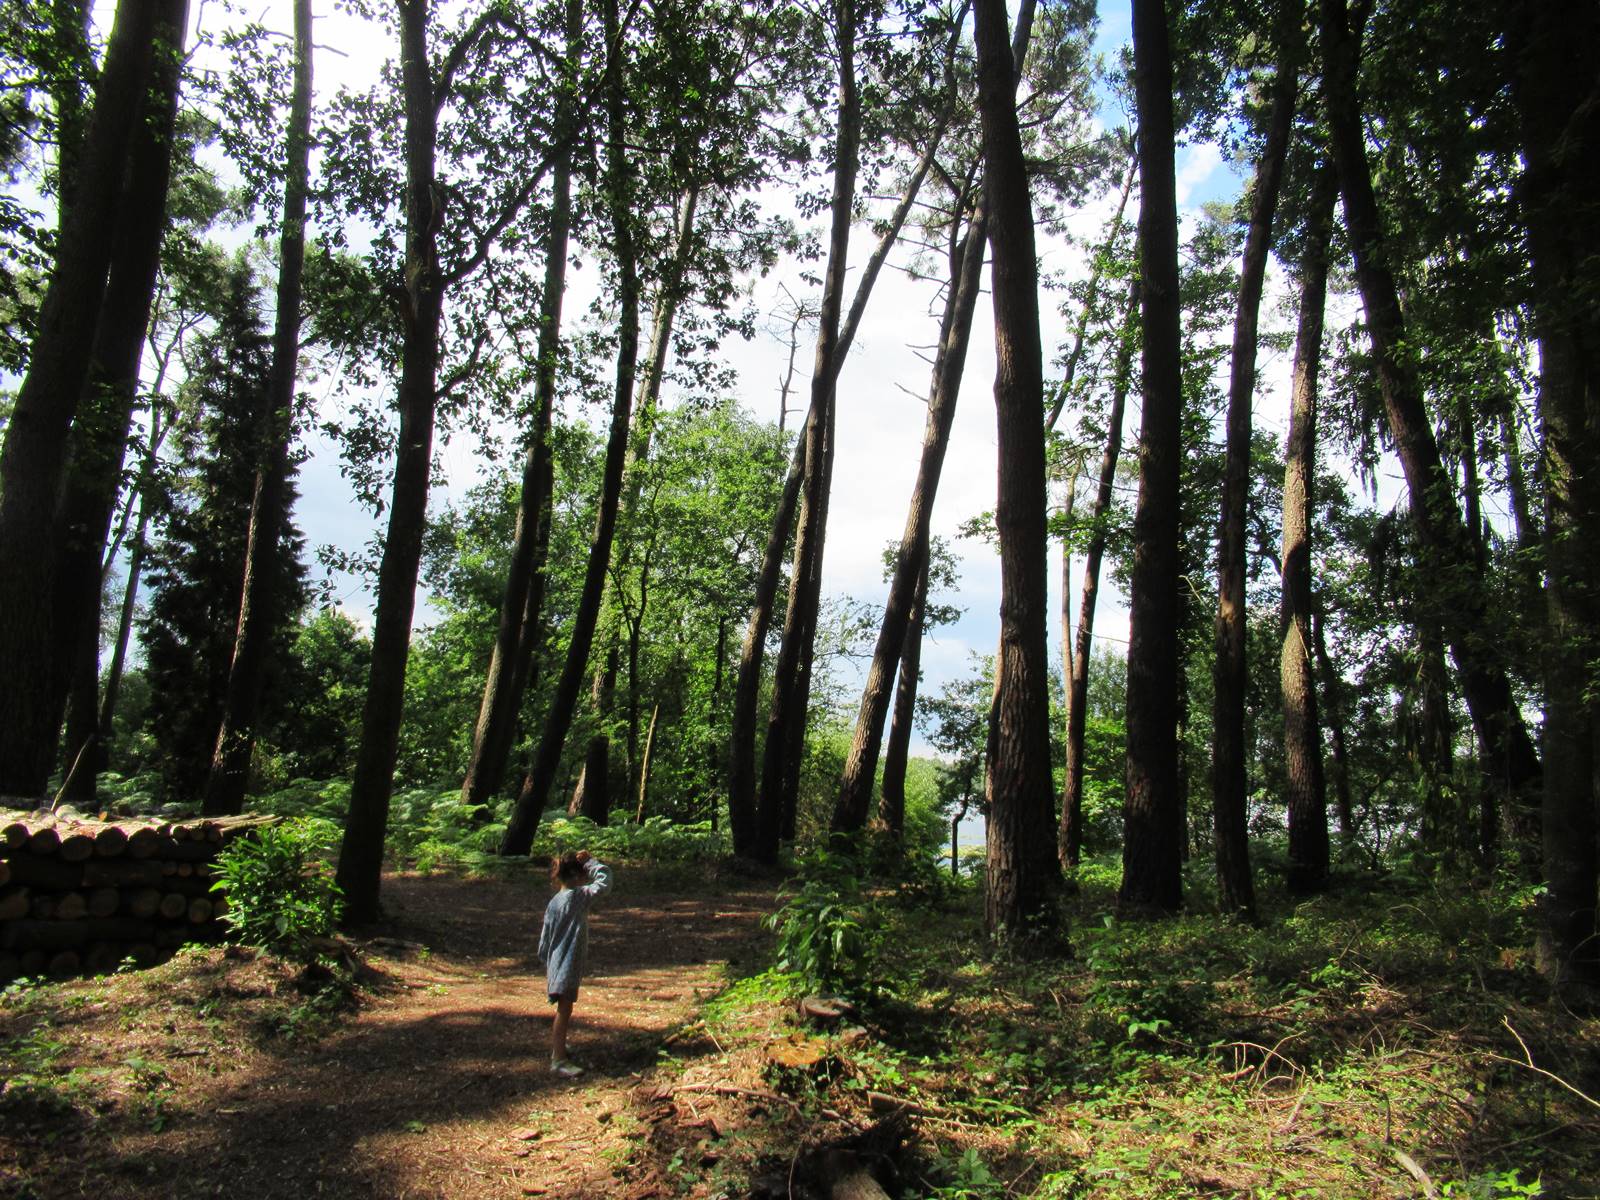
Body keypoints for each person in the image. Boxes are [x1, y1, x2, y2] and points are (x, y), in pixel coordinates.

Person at [537, 849, 612, 1077]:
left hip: (555, 963)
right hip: (567, 964)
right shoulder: (578, 897)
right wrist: (591, 862)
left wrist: (547, 960)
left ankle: (559, 1048)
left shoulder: (554, 902)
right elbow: (605, 881)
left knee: (564, 1007)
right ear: (579, 877)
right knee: (564, 1009)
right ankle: (558, 1059)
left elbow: (544, 939)